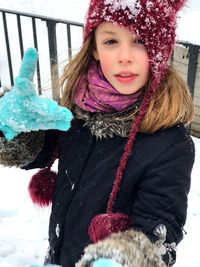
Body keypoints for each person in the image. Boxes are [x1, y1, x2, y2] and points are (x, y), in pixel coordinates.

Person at [0, 0, 195, 266]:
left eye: (139, 40)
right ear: (94, 48)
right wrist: (15, 129)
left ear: (159, 50)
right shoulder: (79, 109)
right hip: (61, 255)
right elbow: (42, 151)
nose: (124, 56)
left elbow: (161, 225)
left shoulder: (170, 144)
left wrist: (125, 259)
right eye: (111, 41)